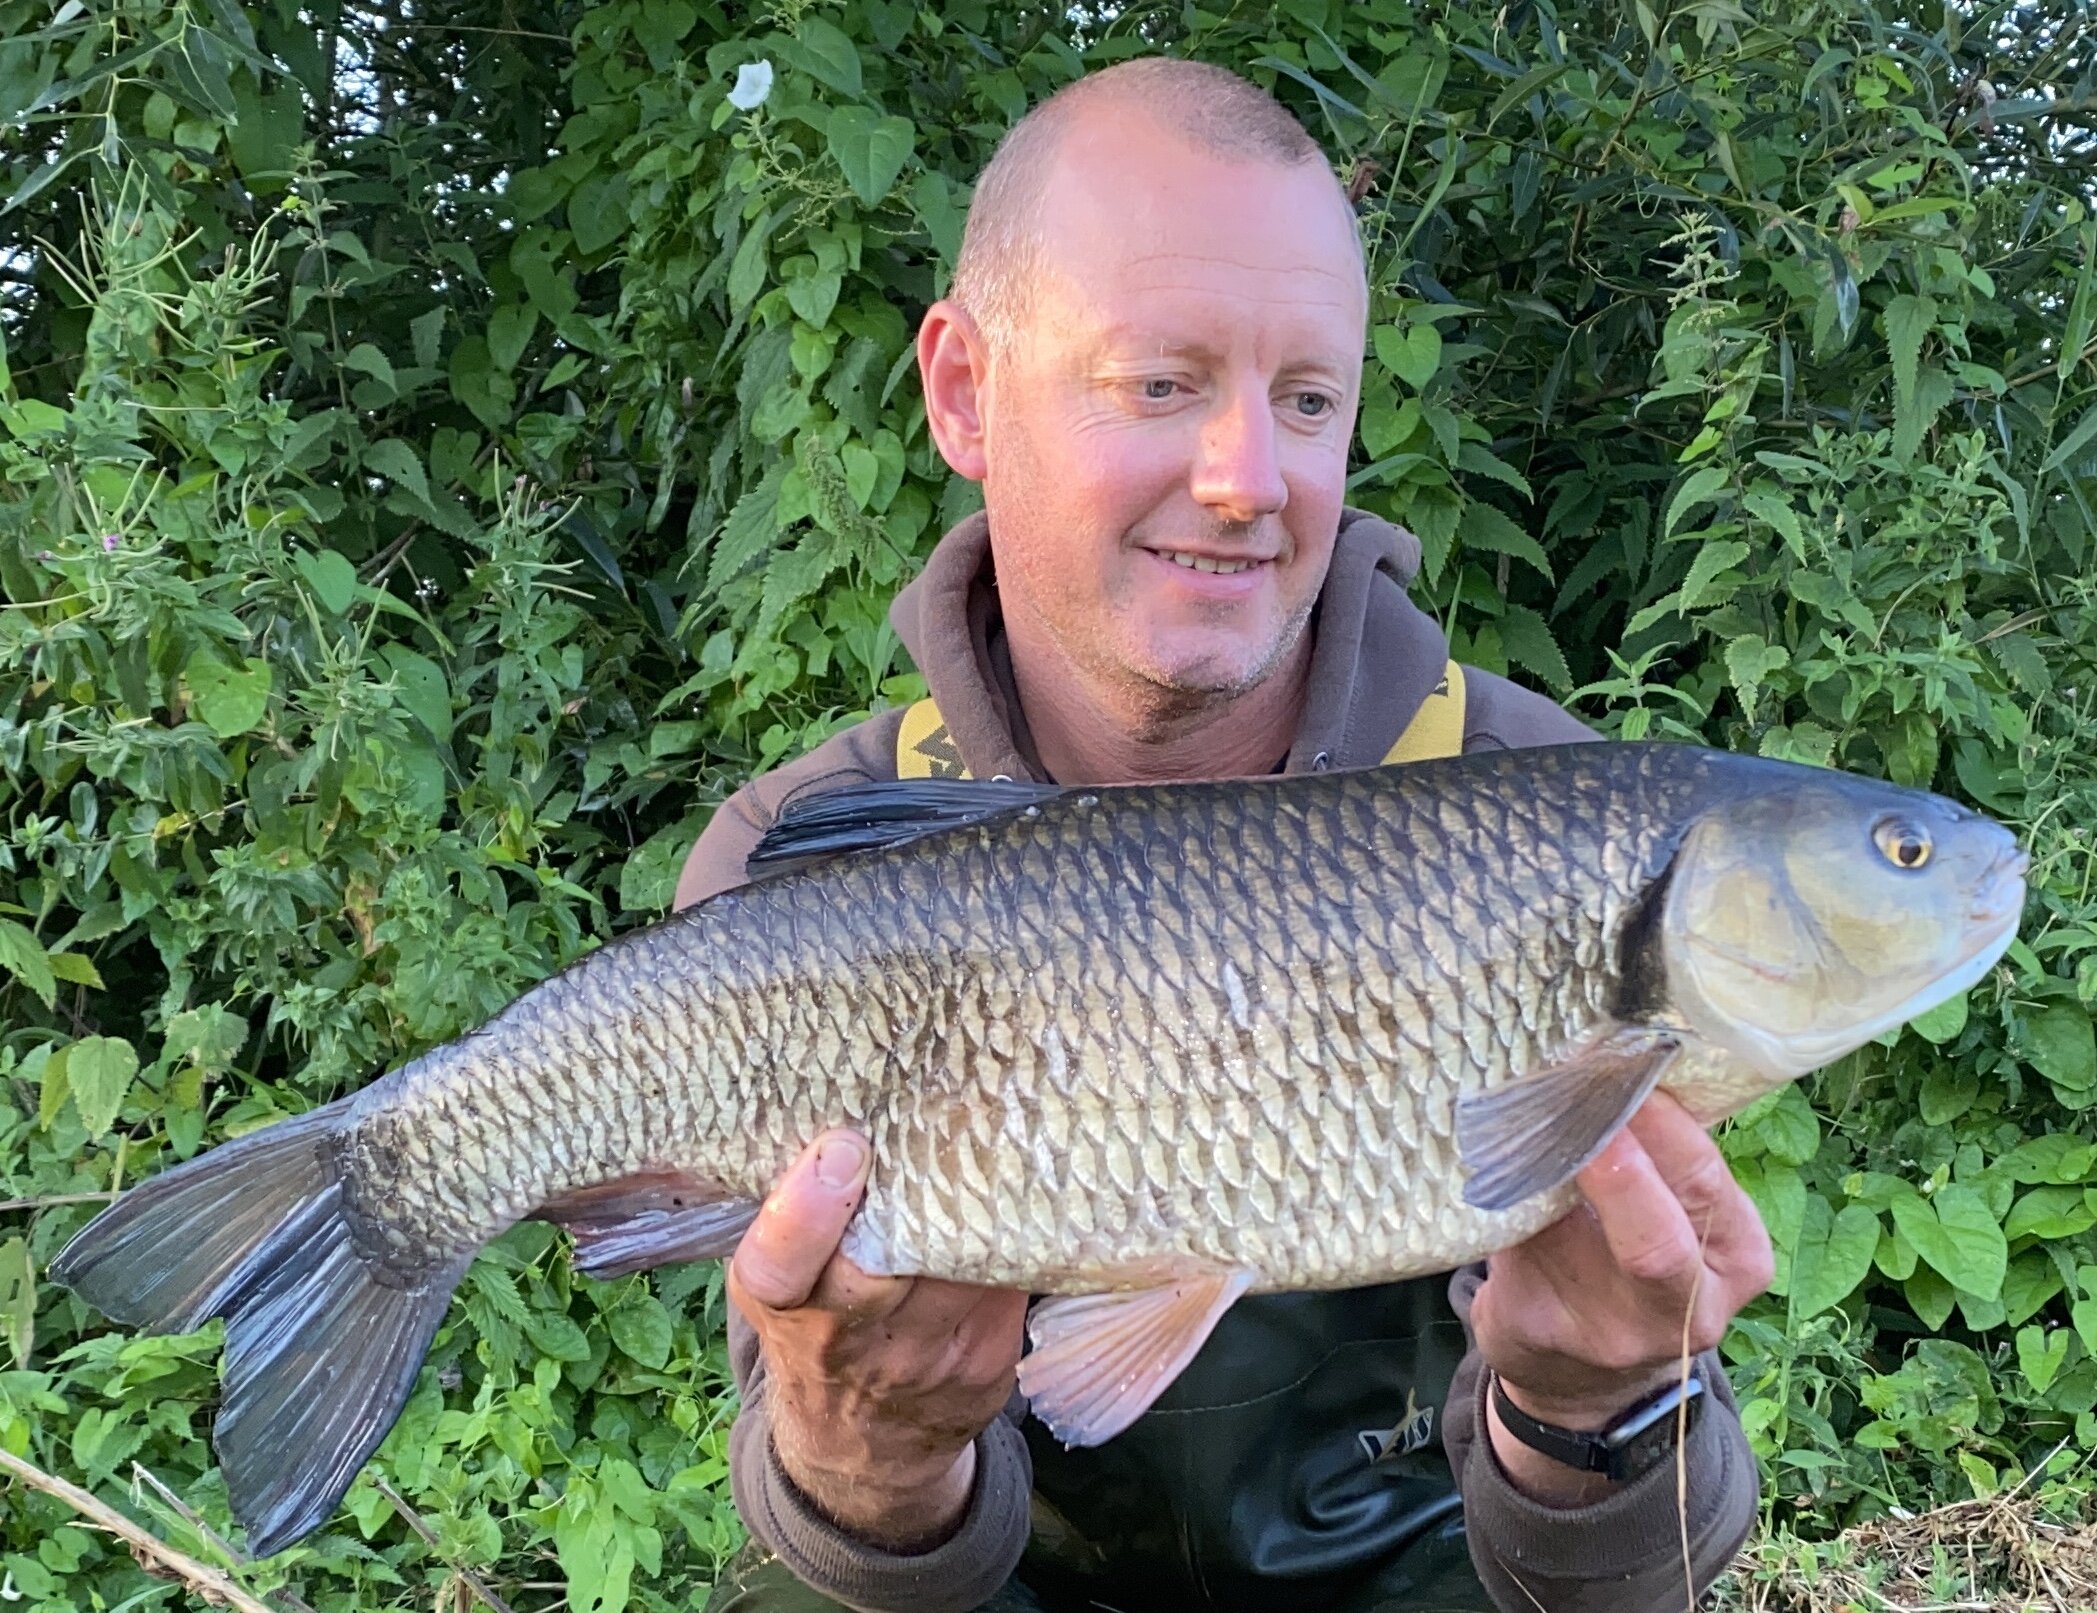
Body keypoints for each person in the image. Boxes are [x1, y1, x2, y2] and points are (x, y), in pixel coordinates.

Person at [676, 57, 1770, 1613]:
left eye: (1307, 398)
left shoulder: (1549, 813)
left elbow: (1615, 1571)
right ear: (964, 392)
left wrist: (1589, 1408)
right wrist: (873, 1458)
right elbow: (844, 1538)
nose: (1247, 480)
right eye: (1160, 382)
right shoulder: (814, 857)